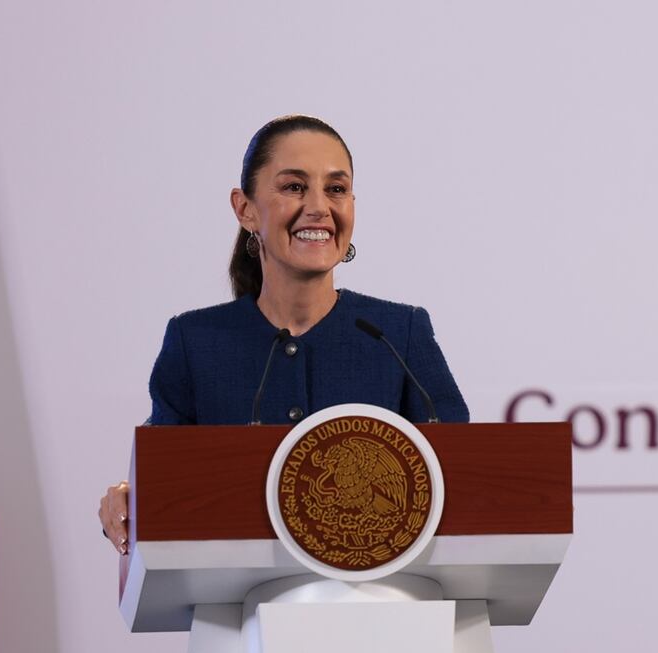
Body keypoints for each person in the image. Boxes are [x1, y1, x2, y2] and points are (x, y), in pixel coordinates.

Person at [98, 115, 469, 554]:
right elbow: (162, 479)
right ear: (245, 208)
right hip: (241, 615)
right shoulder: (196, 342)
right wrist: (128, 497)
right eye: (294, 187)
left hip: (382, 609)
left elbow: (462, 478)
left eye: (336, 189)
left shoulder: (398, 334)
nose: (318, 207)